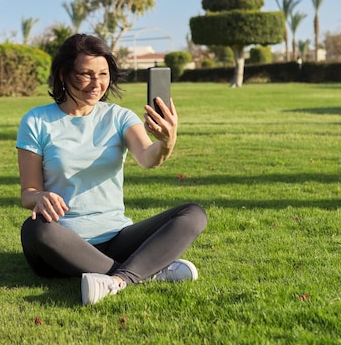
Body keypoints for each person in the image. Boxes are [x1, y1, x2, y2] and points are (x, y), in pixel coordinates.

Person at [16, 34, 207, 305]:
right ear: (63, 74)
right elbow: (28, 193)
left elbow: (147, 158)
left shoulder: (119, 117)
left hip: (116, 236)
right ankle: (147, 271)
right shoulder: (36, 121)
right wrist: (40, 197)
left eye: (103, 74)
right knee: (35, 230)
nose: (97, 84)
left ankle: (117, 280)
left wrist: (166, 143)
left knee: (193, 214)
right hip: (61, 241)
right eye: (85, 74)